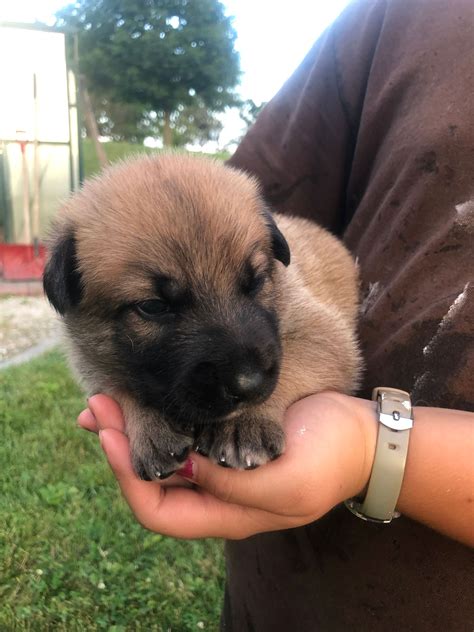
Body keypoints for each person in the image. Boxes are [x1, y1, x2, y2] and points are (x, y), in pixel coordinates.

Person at [78, 0, 474, 629]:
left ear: (273, 255)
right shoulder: (393, 18)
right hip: (283, 588)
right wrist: (136, 403)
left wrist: (269, 409)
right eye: (156, 306)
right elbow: (100, 350)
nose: (241, 369)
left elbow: (328, 347)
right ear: (62, 290)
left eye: (254, 281)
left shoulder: (278, 264)